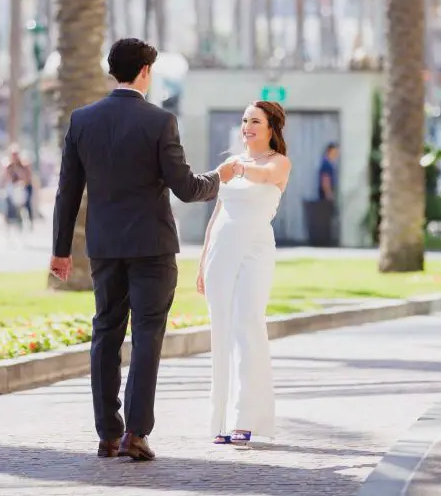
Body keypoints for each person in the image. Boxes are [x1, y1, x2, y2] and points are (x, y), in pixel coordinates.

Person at [50, 38, 236, 462]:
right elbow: (187, 189)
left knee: (105, 334)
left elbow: (67, 192)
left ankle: (107, 434)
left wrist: (61, 250)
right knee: (147, 336)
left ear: (113, 71)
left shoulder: (82, 121)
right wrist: (219, 177)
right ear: (146, 72)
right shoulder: (159, 122)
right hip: (152, 249)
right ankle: (136, 433)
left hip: (105, 248)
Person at [197, 101, 292, 448]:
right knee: (220, 329)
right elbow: (217, 214)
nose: (248, 127)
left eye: (255, 121)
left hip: (255, 250)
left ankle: (246, 418)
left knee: (248, 325)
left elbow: (265, 177)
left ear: (271, 128)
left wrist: (237, 168)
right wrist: (203, 259)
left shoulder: (276, 163)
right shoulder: (232, 164)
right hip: (220, 250)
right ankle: (219, 421)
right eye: (244, 121)